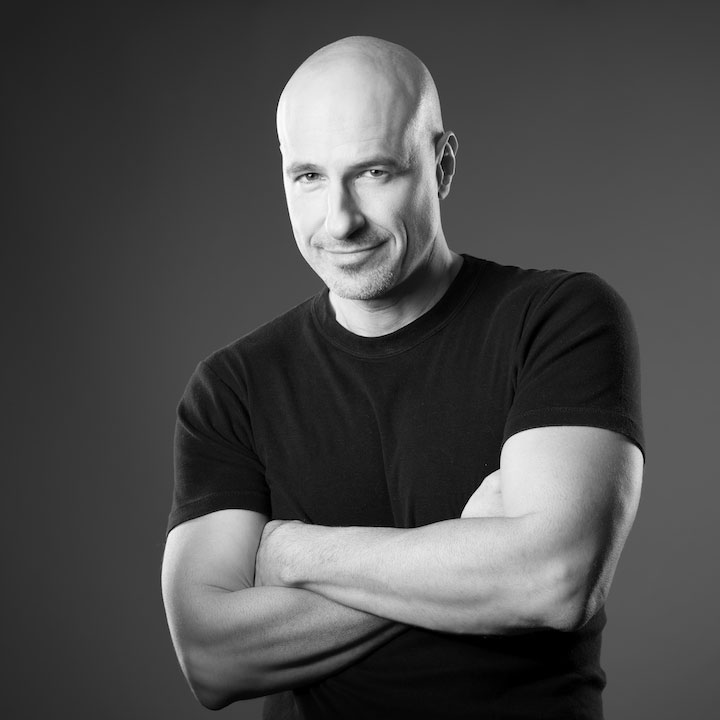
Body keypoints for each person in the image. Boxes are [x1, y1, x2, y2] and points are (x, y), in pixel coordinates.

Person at [162, 36, 644, 720]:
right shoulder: (232, 387)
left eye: (374, 171)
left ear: (442, 165)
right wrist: (471, 557)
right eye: (309, 177)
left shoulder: (558, 318)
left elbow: (555, 582)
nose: (341, 220)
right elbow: (212, 658)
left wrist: (299, 555)